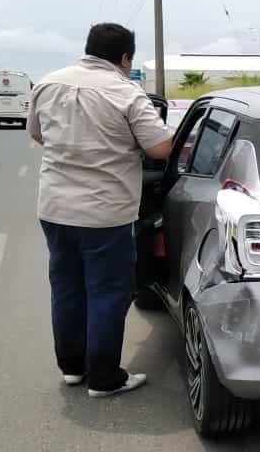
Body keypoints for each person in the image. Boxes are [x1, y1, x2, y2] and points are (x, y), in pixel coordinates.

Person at [28, 23, 173, 397]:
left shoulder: (48, 83)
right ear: (124, 58)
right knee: (107, 292)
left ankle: (73, 369)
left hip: (56, 208)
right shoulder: (127, 94)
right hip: (105, 214)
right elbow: (160, 149)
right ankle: (105, 378)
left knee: (66, 288)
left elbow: (38, 134)